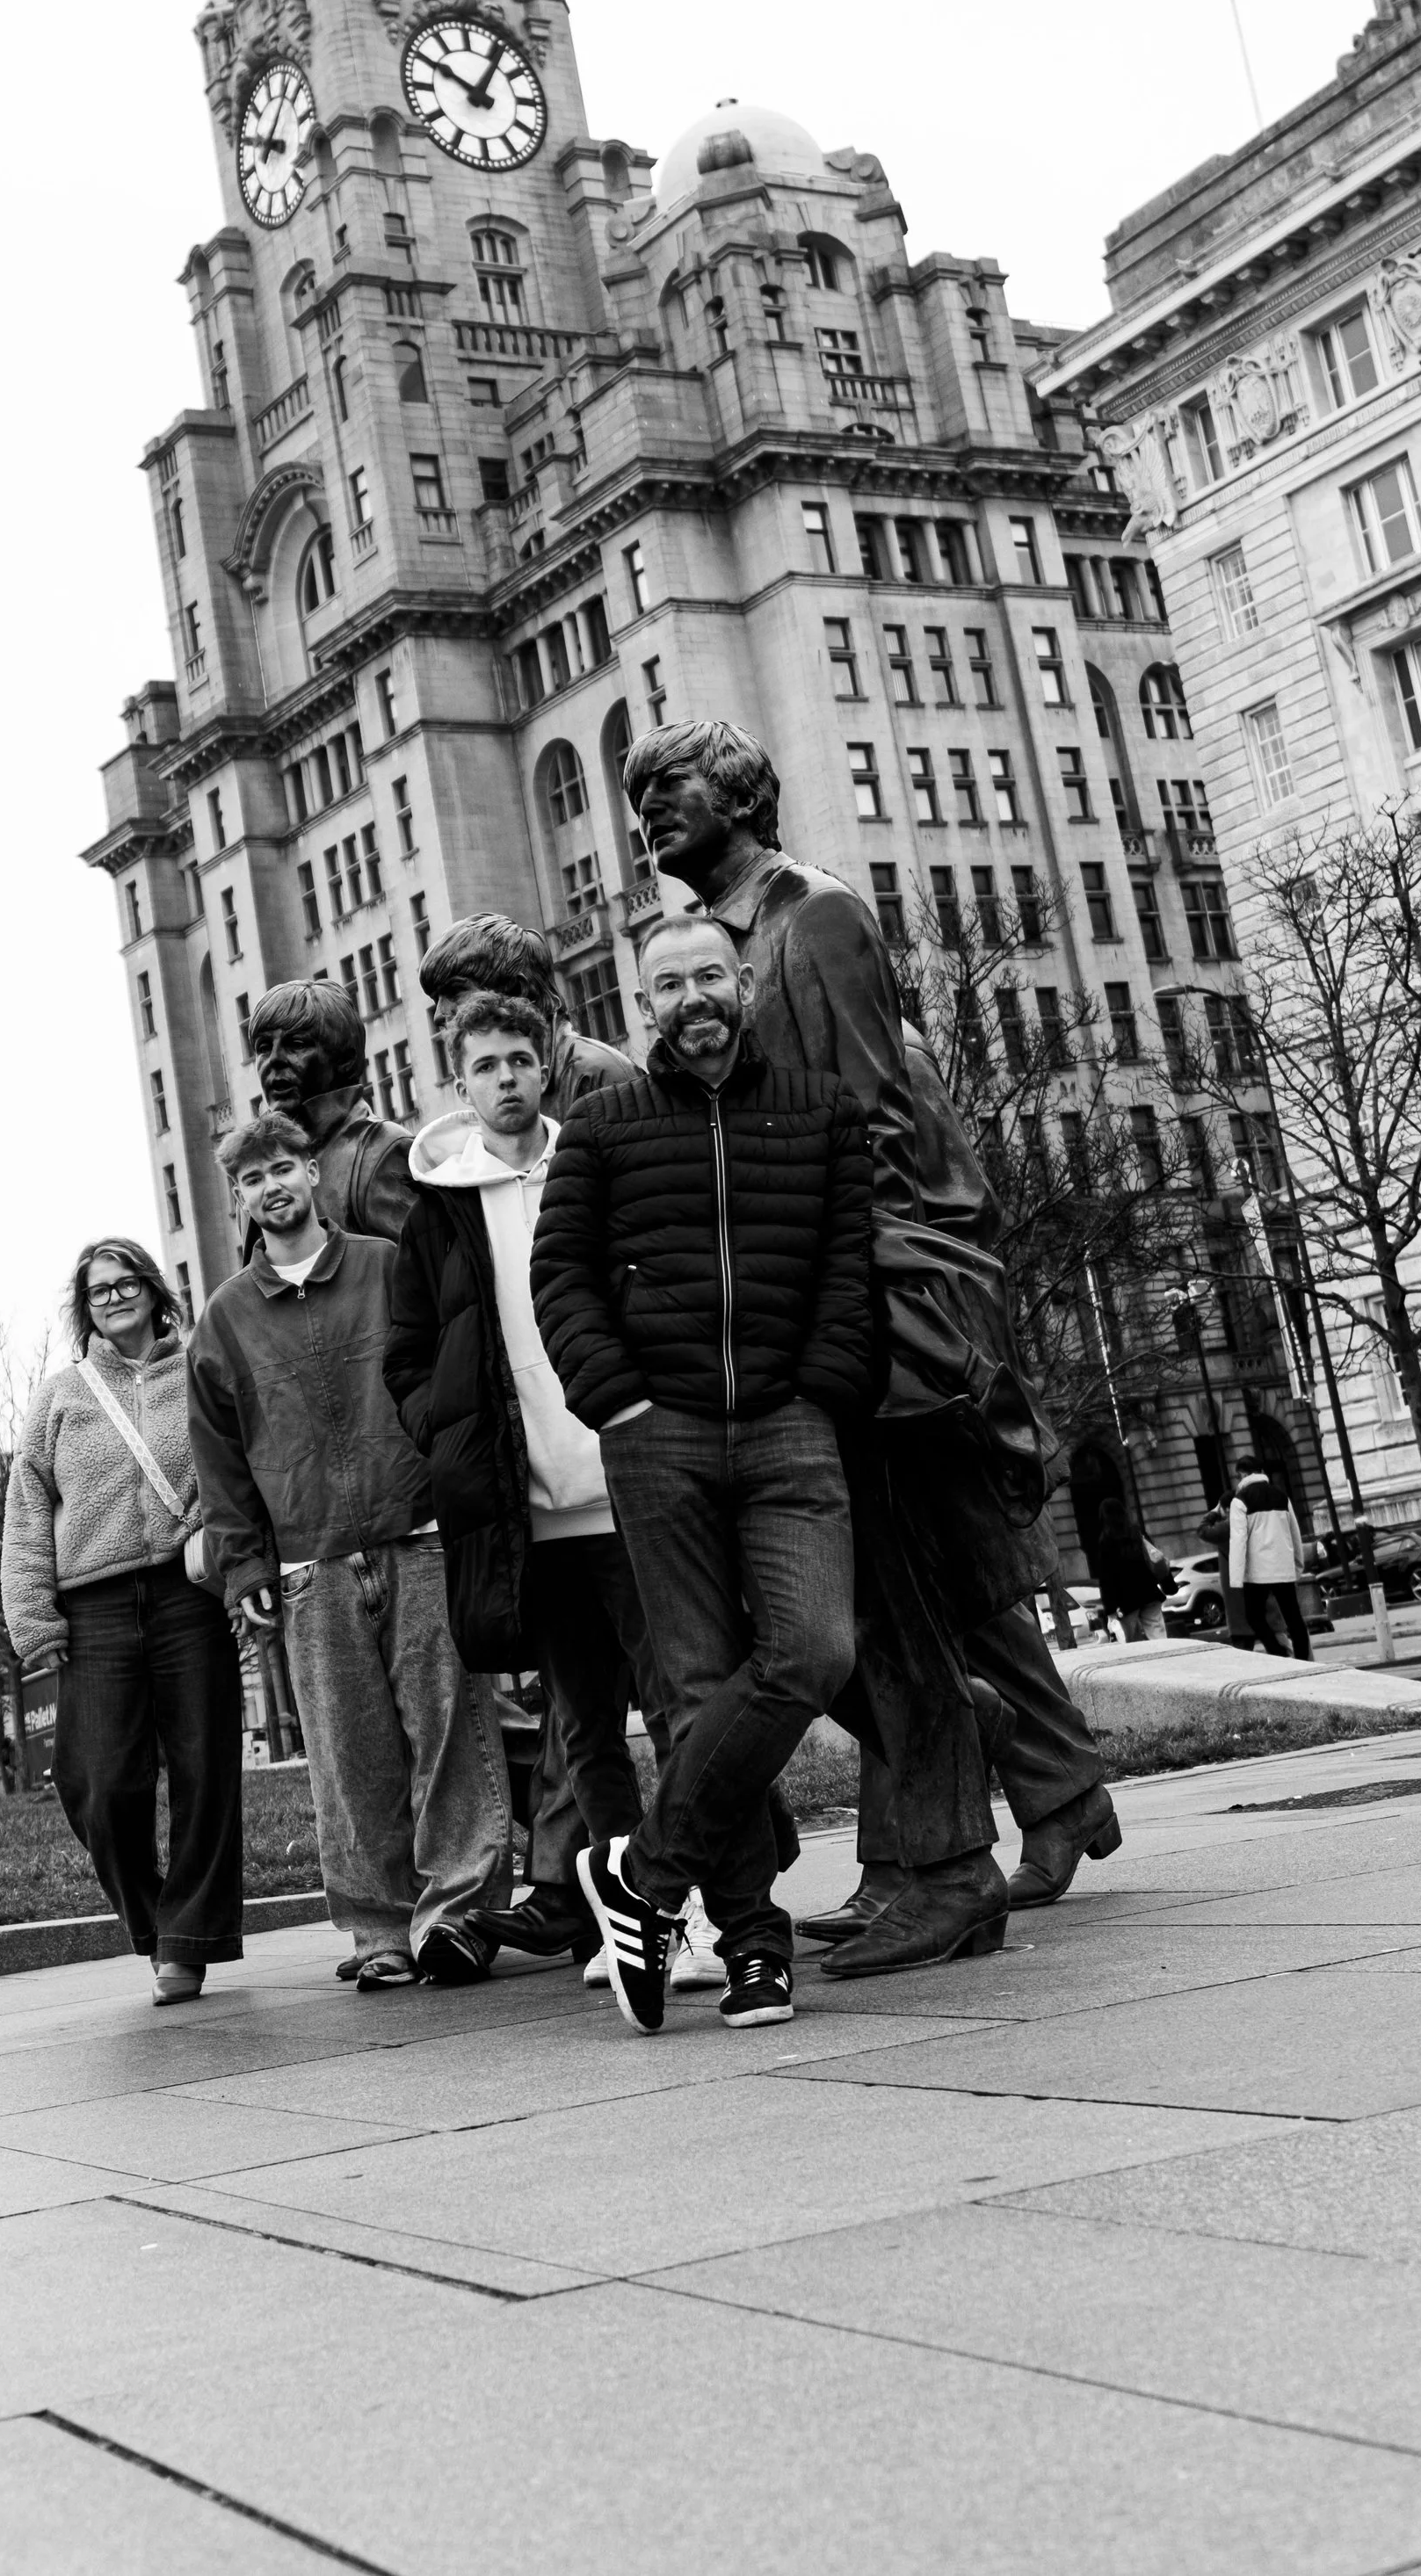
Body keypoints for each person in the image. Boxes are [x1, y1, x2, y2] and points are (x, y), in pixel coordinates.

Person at [623, 714, 1120, 1972]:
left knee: (893, 1600)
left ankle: (949, 1867)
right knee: (877, 1603)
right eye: (639, 797)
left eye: (670, 786)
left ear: (742, 793)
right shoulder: (725, 944)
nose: (649, 812)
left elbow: (873, 1127)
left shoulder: (817, 918)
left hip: (854, 1313)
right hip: (811, 1309)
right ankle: (919, 1858)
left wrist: (833, 1311)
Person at [532, 913, 870, 2032]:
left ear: (745, 984)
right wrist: (616, 1397)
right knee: (691, 1692)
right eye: (668, 983)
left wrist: (819, 1389)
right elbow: (560, 1277)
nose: (692, 998)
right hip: (656, 1433)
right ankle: (754, 1949)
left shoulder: (820, 1110)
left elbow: (847, 1270)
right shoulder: (603, 1126)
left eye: (709, 976)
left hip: (787, 1427)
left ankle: (641, 1876)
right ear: (646, 1005)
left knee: (812, 1649)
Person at [387, 991, 686, 1975]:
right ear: (460, 1084)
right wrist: (456, 1441)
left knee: (683, 1706)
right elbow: (407, 1359)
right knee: (586, 1727)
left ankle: (711, 1901)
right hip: (529, 1517)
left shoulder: (595, 1164)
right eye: (486, 1065)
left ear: (544, 1066)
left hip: (631, 1486)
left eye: (520, 1058)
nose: (506, 1078)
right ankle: (632, 1922)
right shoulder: (438, 1210)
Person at [188, 1111, 512, 1989]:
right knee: (347, 1756)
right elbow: (219, 1459)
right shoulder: (224, 1319)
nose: (272, 1188)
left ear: (310, 1173)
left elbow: (450, 1380)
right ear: (240, 1199)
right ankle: (379, 1932)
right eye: (253, 1179)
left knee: (450, 1733)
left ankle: (459, 1917)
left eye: (283, 1168)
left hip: (420, 1536)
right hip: (310, 1563)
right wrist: (244, 1566)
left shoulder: (385, 1263)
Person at [2, 1236, 242, 2006]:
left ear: (153, 1288)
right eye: (97, 1290)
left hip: (188, 1592)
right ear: (85, 1309)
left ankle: (189, 1943)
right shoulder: (61, 1396)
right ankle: (156, 1924)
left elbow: (242, 1466)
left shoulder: (204, 1367)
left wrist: (243, 1568)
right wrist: (32, 1617)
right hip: (94, 1605)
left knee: (206, 1772)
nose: (113, 1297)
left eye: (125, 1282)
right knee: (98, 1785)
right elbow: (27, 1506)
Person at [419, 914, 635, 1118]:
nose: (439, 1015)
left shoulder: (599, 1077)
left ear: (518, 990)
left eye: (455, 992)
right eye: (436, 999)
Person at [246, 980, 414, 1241]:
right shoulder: (255, 1166)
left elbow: (415, 1262)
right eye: (264, 1048)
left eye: (296, 1045)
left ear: (345, 1059)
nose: (274, 1060)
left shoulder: (382, 1149)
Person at [1229, 1466, 1311, 1659]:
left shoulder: (1240, 1500)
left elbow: (1238, 1540)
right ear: (1261, 1471)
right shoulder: (1282, 1496)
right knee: (1294, 1618)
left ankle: (1278, 1652)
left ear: (1242, 1476)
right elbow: (1295, 1533)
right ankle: (1303, 1659)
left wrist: (1236, 1579)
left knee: (1254, 1617)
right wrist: (1298, 1564)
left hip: (1257, 1572)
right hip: (1283, 1566)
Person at [1091, 1497, 1172, 1642]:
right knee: (1159, 1637)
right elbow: (1155, 1557)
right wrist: (1168, 1584)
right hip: (1149, 1592)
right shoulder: (1137, 1533)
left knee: (1132, 1642)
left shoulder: (1106, 1541)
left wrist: (1110, 1609)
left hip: (1126, 1600)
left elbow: (1106, 1579)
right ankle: (1165, 1655)